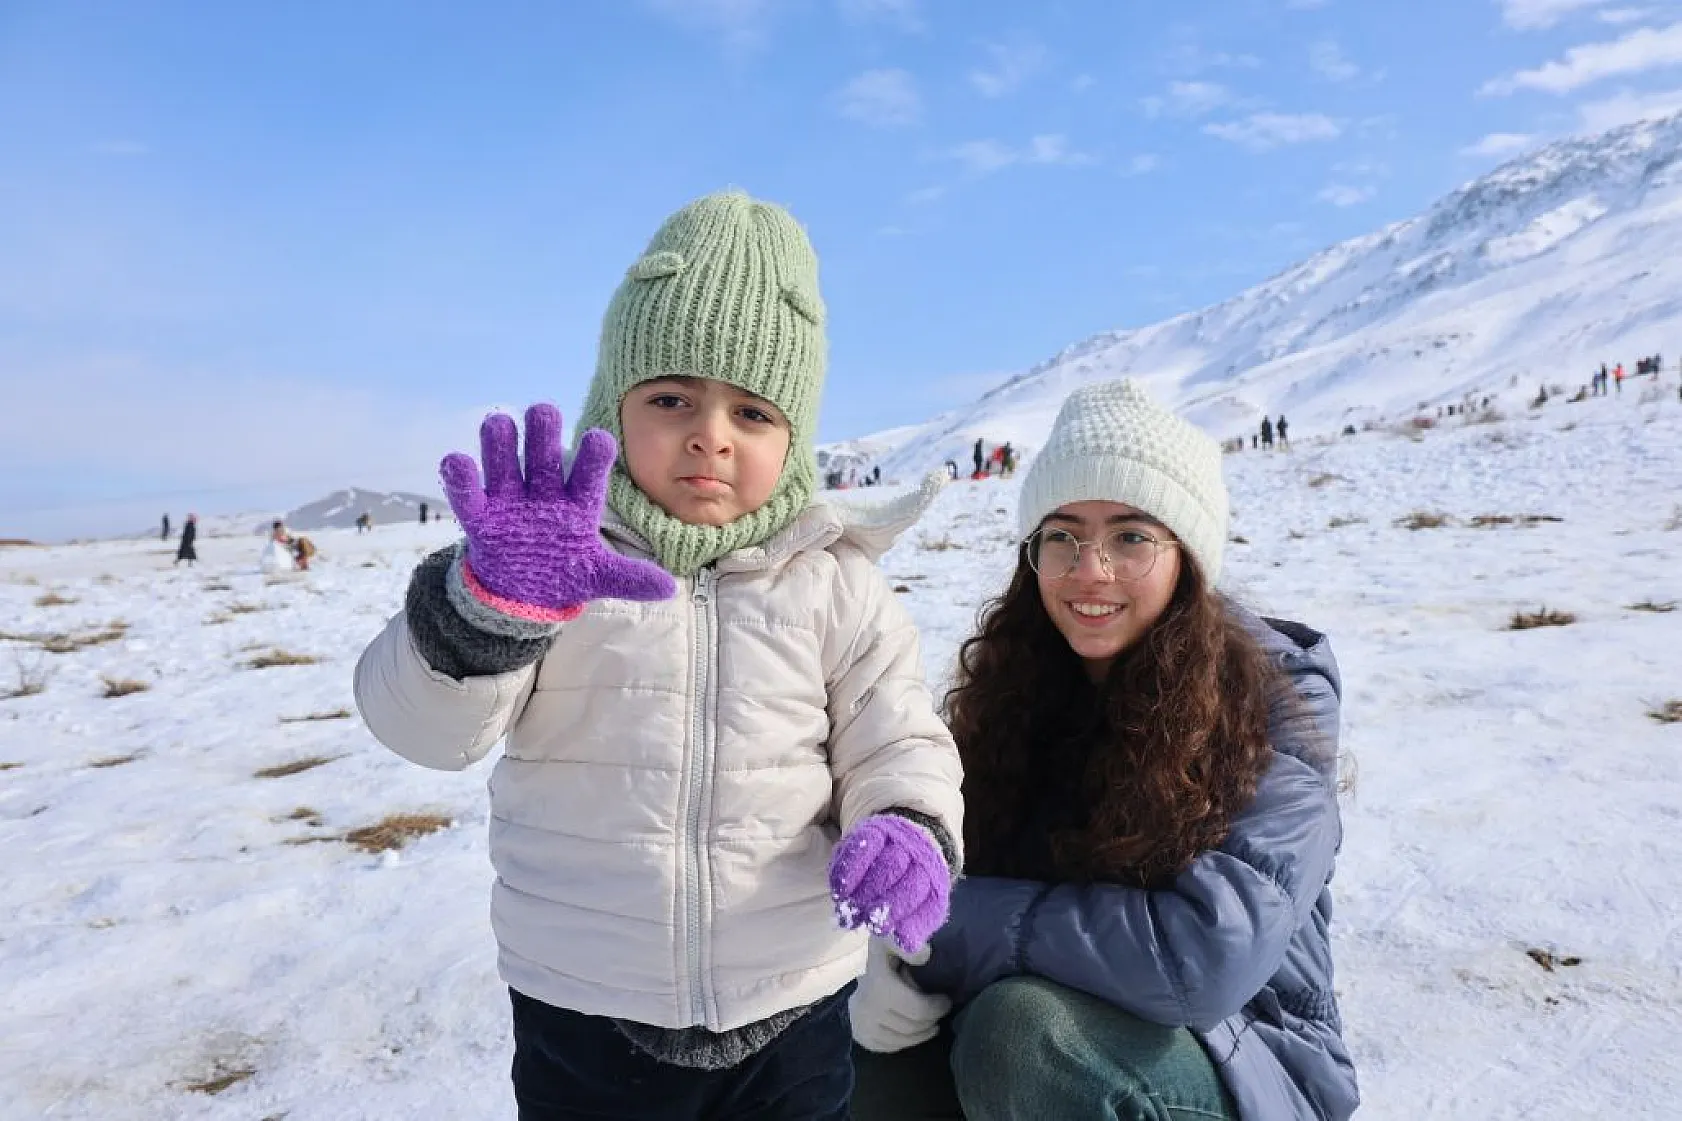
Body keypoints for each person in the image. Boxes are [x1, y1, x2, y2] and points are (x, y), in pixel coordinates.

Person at [353, 190, 964, 1121]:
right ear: (615, 404)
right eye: (672, 397)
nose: (709, 434)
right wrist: (487, 609)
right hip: (584, 998)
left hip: (790, 995)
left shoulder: (837, 582)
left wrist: (910, 825)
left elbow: (897, 738)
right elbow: (423, 729)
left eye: (752, 412)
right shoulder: (550, 559)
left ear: (794, 438)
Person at [850, 379, 1358, 1121]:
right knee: (864, 1053)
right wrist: (878, 960)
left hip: (1243, 1065)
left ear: (1187, 554)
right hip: (1054, 1051)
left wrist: (939, 927)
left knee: (1024, 1036)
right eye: (1062, 535)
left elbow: (1204, 958)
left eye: (1130, 536)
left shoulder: (1278, 705)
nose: (1090, 568)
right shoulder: (1013, 692)